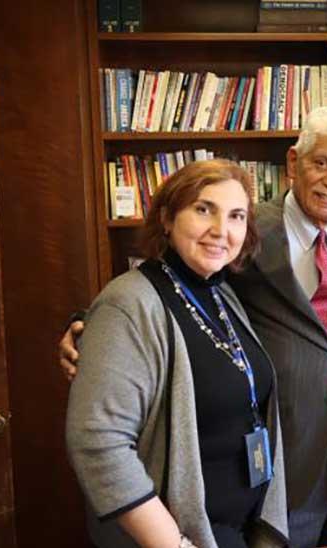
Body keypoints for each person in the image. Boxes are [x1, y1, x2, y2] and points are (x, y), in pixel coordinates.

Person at [61, 106, 327, 546]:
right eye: (321, 163)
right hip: (221, 508)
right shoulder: (250, 235)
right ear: (293, 163)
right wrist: (86, 325)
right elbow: (144, 298)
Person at [65, 159, 288, 548]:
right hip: (180, 538)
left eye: (236, 216)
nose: (221, 230)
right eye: (204, 209)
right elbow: (97, 442)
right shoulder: (128, 303)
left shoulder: (222, 293)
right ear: (167, 218)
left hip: (236, 531)